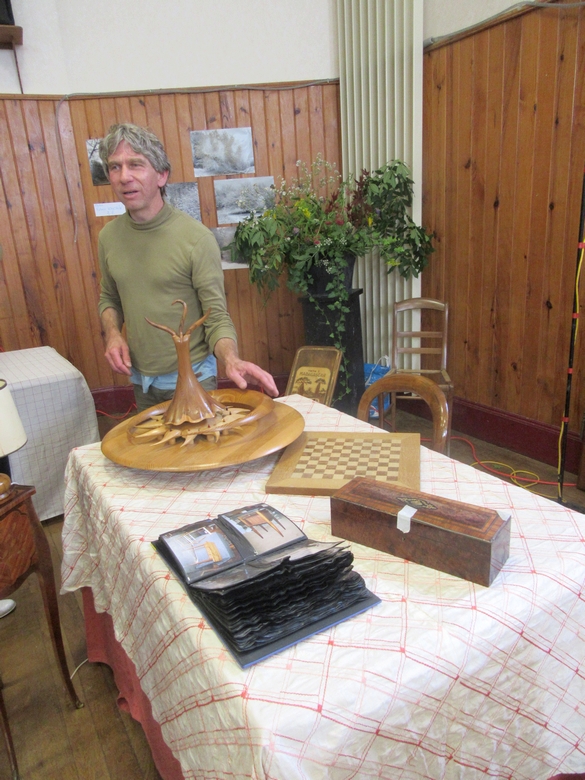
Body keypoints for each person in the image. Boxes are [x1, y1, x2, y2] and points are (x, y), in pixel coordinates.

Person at [97, 123, 278, 412]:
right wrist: (113, 333)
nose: (124, 176)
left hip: (193, 380)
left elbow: (216, 317)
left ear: (161, 175)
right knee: (155, 457)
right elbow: (109, 298)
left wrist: (231, 359)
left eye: (135, 165)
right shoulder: (108, 237)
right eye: (115, 167)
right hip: (141, 382)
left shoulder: (196, 239)